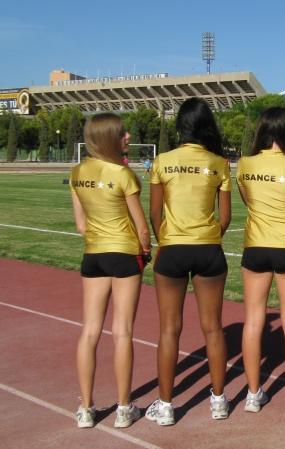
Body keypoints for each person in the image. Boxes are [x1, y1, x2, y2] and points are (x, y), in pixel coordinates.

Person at [146, 97, 232, 426]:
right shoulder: (219, 163)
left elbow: (155, 213)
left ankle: (166, 405)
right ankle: (220, 401)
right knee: (213, 328)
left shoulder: (162, 162)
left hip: (172, 249)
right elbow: (224, 217)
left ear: (180, 125)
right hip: (209, 249)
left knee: (170, 329)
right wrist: (209, 236)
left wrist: (164, 240)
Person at [70, 113, 151, 429]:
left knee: (89, 331)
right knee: (123, 331)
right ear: (108, 138)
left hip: (94, 255)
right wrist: (146, 251)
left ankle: (86, 408)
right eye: (122, 133)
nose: (128, 136)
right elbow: (142, 228)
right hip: (124, 255)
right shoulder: (122, 174)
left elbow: (81, 225)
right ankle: (123, 407)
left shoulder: (78, 173)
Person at [238, 107, 285, 414]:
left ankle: (253, 394)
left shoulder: (244, 165)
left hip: (256, 246)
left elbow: (247, 199)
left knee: (254, 320)